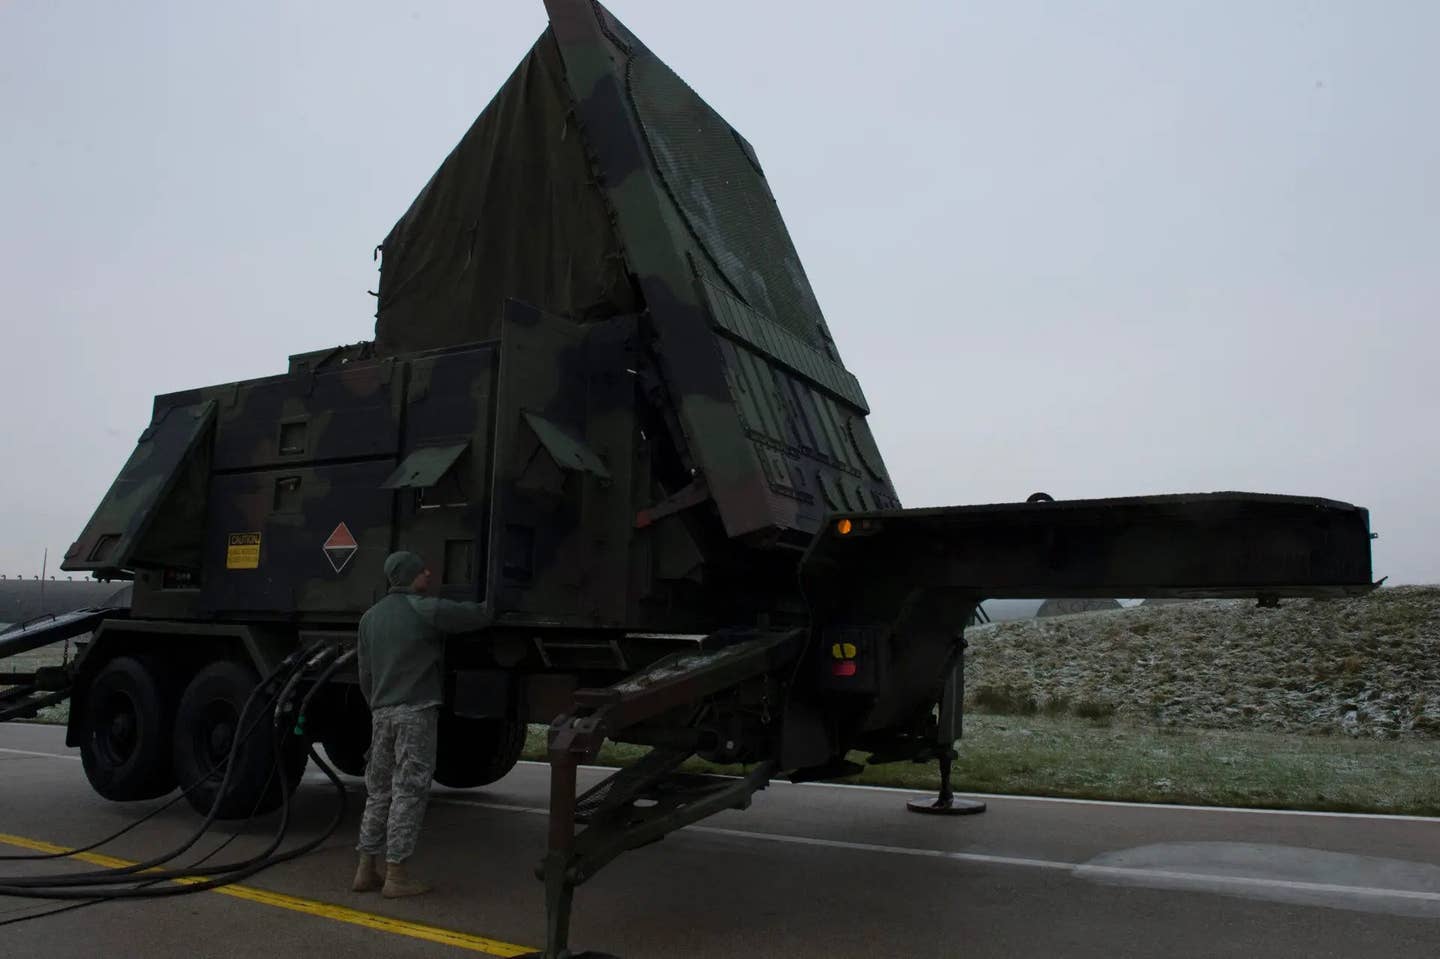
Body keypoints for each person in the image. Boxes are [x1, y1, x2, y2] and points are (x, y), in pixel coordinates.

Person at [351, 550, 489, 897]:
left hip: (381, 712)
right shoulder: (425, 608)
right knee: (409, 791)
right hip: (415, 712)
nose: (428, 573)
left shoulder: (369, 618)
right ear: (410, 576)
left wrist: (378, 706)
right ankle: (396, 875)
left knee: (378, 791)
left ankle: (365, 869)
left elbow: (364, 674)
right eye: (423, 570)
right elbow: (477, 616)